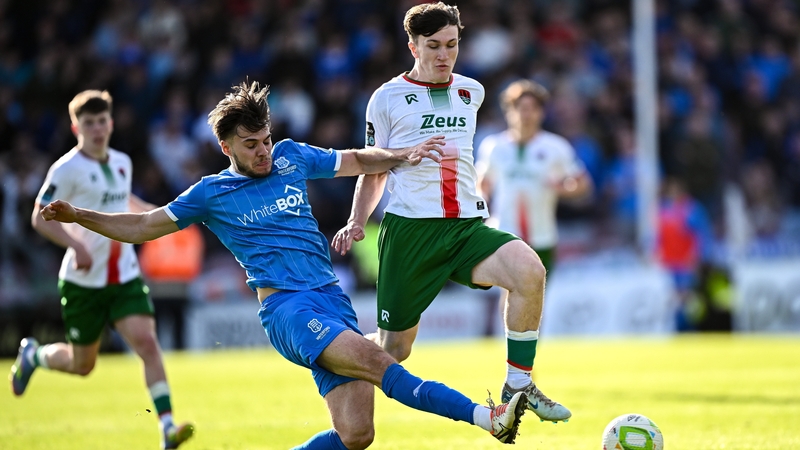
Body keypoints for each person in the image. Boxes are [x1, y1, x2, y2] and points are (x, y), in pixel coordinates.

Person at [39, 81, 529, 449]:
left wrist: (402, 155)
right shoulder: (211, 193)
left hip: (330, 299)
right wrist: (78, 215)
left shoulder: (292, 157)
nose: (264, 152)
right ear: (226, 147)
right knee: (383, 363)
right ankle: (488, 417)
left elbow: (355, 159)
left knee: (357, 435)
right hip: (288, 310)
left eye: (266, 139)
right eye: (251, 144)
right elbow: (143, 225)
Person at [332, 2, 571, 423]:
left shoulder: (470, 92)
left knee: (528, 270)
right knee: (394, 350)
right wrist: (356, 220)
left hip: (465, 227)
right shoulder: (386, 98)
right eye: (434, 46)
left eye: (452, 45)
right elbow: (373, 168)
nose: (444, 55)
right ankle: (335, 354)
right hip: (411, 233)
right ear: (413, 46)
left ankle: (519, 386)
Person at [9, 90, 193, 449]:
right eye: (88, 123)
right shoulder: (66, 169)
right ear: (76, 126)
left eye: (102, 121)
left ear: (110, 123)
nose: (96, 129)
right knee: (83, 365)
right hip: (83, 282)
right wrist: (75, 244)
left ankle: (167, 428)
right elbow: (38, 217)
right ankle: (34, 355)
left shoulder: (122, 161)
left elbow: (125, 201)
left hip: (123, 275)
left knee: (148, 344)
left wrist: (167, 217)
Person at [475, 80, 593, 331]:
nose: (525, 114)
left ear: (541, 112)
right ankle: (511, 351)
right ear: (509, 111)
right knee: (509, 292)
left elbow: (583, 184)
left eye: (532, 108)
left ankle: (526, 357)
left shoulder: (555, 148)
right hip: (504, 233)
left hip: (542, 237)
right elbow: (482, 184)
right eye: (520, 108)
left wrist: (562, 188)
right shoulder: (494, 147)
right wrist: (478, 205)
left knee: (536, 300)